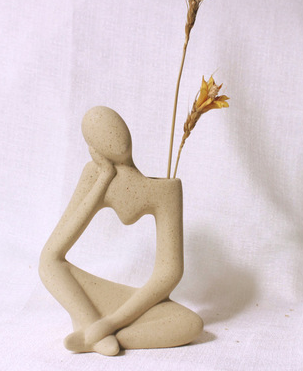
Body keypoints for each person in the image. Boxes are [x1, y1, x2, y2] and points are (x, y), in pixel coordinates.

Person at [39, 106, 203, 356]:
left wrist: (111, 323)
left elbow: (169, 273)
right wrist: (103, 180)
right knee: (49, 266)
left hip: (133, 305)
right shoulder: (94, 176)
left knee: (190, 324)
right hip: (94, 301)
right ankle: (92, 325)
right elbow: (52, 256)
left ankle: (94, 334)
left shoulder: (166, 190)